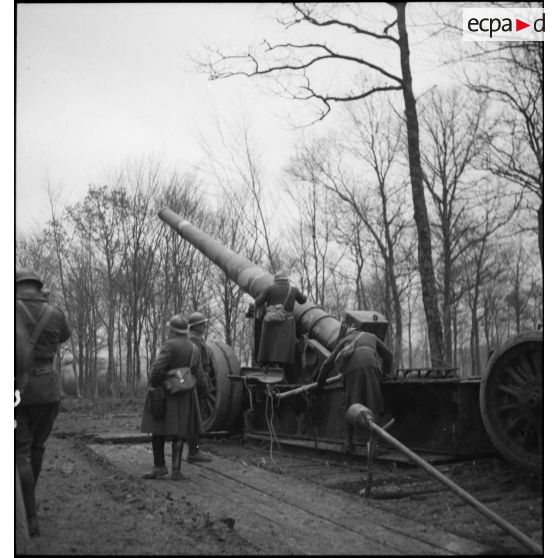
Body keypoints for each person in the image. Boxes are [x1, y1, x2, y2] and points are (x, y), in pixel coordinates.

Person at [15, 268, 71, 537]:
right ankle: (30, 510)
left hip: (17, 389)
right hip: (48, 391)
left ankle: (28, 514)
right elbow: (63, 336)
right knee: (36, 449)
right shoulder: (55, 313)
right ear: (38, 287)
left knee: (21, 454)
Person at [140, 314, 209, 480]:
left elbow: (157, 370)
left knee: (158, 430)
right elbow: (199, 375)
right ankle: (176, 471)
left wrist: (156, 385)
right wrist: (202, 392)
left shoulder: (170, 346)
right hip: (186, 395)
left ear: (172, 330)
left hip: (166, 394)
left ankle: (159, 467)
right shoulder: (194, 348)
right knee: (179, 433)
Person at [315, 325, 393, 453]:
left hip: (350, 370)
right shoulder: (371, 336)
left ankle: (349, 444)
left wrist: (320, 383)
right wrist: (385, 376)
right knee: (374, 403)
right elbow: (388, 356)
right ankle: (374, 446)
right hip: (370, 365)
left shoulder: (344, 341)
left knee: (351, 404)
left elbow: (327, 363)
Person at [254, 271, 307, 370]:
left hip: (270, 322)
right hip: (286, 323)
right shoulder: (293, 290)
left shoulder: (269, 289)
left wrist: (266, 307)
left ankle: (268, 364)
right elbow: (303, 300)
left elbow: (257, 302)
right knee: (284, 347)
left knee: (269, 345)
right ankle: (283, 366)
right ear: (286, 280)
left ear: (275, 280)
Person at [186, 312, 212, 463]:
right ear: (196, 326)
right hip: (196, 382)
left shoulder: (192, 341)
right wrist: (203, 386)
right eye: (202, 324)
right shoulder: (195, 342)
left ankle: (193, 449)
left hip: (194, 381)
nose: (204, 326)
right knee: (194, 419)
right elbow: (198, 367)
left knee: (194, 418)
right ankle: (193, 452)